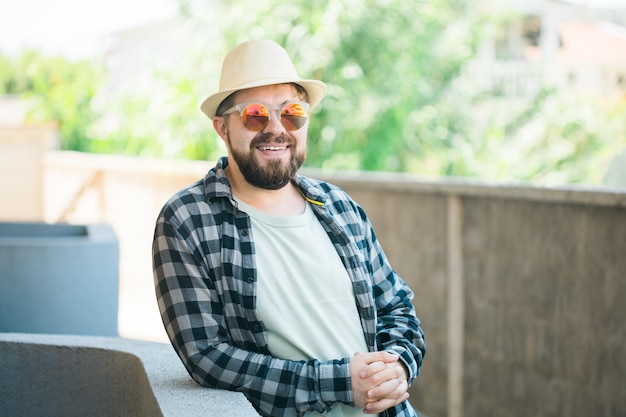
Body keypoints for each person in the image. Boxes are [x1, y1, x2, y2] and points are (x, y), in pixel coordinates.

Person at [152, 39, 426, 417]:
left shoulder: (340, 207)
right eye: (255, 115)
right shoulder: (186, 220)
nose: (276, 129)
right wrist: (340, 382)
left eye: (292, 112)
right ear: (222, 128)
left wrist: (397, 363)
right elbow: (207, 356)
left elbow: (396, 306)